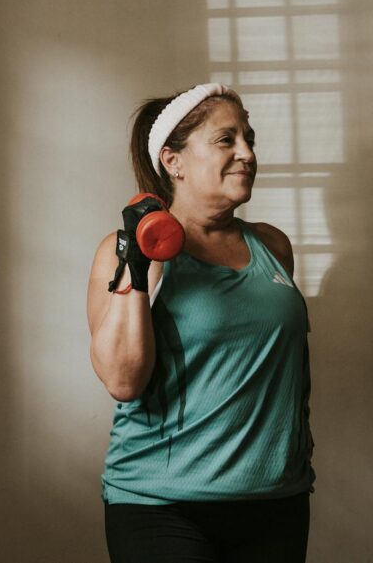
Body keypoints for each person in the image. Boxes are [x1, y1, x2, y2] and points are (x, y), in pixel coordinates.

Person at [86, 83, 316, 563]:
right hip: (161, 506)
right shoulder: (124, 250)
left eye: (249, 138)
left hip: (274, 503)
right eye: (226, 140)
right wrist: (139, 256)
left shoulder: (272, 247)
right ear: (173, 162)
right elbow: (124, 381)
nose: (247, 154)